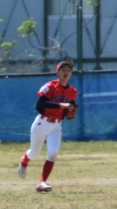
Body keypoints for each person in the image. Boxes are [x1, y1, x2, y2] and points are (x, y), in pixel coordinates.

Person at [17, 59, 78, 193]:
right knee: (34, 153)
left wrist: (70, 113)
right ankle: (24, 161)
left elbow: (69, 109)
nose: (66, 72)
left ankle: (42, 182)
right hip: (42, 123)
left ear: (71, 73)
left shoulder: (73, 91)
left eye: (68, 70)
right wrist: (62, 105)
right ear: (57, 73)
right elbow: (40, 106)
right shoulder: (50, 86)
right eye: (63, 70)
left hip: (56, 126)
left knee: (53, 153)